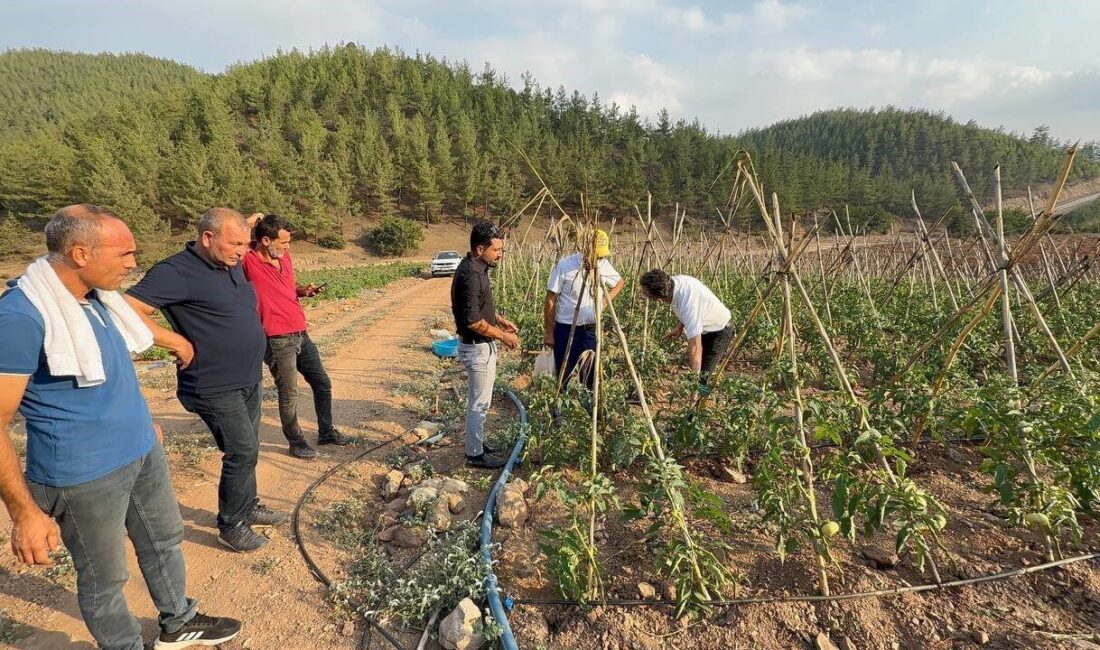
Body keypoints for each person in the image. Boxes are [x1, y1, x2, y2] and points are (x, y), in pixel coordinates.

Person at [0, 204, 241, 649]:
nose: (133, 263)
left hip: (140, 450)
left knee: (164, 540)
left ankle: (179, 620)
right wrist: (25, 513)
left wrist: (143, 420)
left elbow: (113, 371)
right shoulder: (22, 317)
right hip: (82, 474)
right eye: (124, 253)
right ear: (80, 253)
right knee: (105, 577)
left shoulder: (98, 300)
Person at [125, 208, 284, 553]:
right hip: (212, 383)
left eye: (246, 243)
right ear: (207, 238)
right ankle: (232, 524)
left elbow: (239, 232)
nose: (243, 251)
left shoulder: (229, 261)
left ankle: (247, 504)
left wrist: (247, 226)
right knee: (242, 449)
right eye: (236, 244)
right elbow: (126, 308)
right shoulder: (176, 271)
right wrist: (174, 341)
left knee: (249, 446)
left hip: (247, 376)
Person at [241, 214, 348, 460]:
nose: (288, 247)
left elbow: (286, 287)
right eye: (284, 242)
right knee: (289, 392)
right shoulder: (248, 259)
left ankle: (326, 432)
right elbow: (229, 241)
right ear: (265, 240)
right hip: (276, 338)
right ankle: (296, 442)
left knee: (322, 382)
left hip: (300, 332)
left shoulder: (284, 257)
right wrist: (248, 223)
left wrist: (302, 291)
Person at [450, 221, 519, 469]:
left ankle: (477, 443)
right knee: (479, 404)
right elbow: (472, 321)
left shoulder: (474, 266)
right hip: (477, 348)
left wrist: (499, 320)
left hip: (480, 346)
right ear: (480, 249)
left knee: (481, 401)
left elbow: (478, 308)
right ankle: (474, 454)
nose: (500, 255)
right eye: (496, 250)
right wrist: (503, 336)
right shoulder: (472, 275)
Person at [542, 228, 624, 393]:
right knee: (563, 372)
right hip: (565, 329)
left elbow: (619, 282)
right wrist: (549, 332)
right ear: (584, 249)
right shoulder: (565, 266)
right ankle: (559, 405)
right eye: (596, 255)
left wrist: (603, 302)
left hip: (590, 330)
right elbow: (550, 299)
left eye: (601, 256)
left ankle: (589, 404)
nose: (598, 259)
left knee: (590, 373)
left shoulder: (603, 265)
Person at [639, 269, 733, 382]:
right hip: (706, 326)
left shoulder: (688, 304)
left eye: (648, 295)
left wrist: (694, 385)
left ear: (659, 299)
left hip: (719, 330)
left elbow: (696, 347)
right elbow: (692, 312)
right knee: (697, 371)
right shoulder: (673, 284)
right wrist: (680, 326)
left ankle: (699, 391)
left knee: (702, 379)